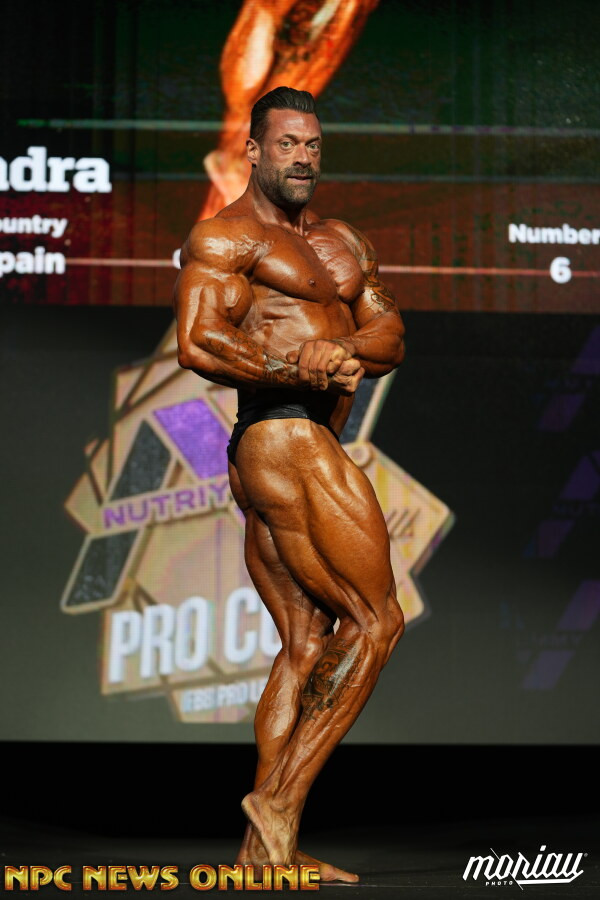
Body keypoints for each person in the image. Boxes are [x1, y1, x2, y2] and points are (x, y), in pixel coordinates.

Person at [174, 86, 405, 883]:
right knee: (376, 621)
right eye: (286, 144)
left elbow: (388, 334)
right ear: (253, 150)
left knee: (306, 645)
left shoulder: (343, 241)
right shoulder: (226, 236)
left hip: (291, 443)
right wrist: (295, 365)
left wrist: (344, 353)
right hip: (284, 434)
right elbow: (198, 340)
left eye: (312, 144)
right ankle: (276, 803)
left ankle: (263, 853)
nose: (302, 156)